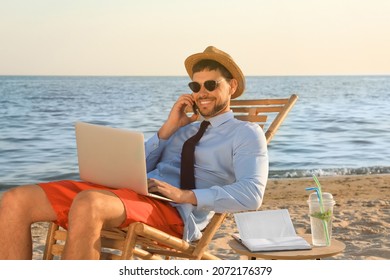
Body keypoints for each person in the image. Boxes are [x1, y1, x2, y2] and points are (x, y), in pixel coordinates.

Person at [0, 46, 268, 259]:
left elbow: (252, 194)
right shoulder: (182, 129)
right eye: (195, 87)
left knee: (89, 203)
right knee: (15, 200)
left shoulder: (246, 133)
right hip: (132, 195)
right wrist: (167, 130)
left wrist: (186, 195)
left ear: (231, 86)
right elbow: (135, 168)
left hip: (173, 211)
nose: (202, 93)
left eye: (211, 85)